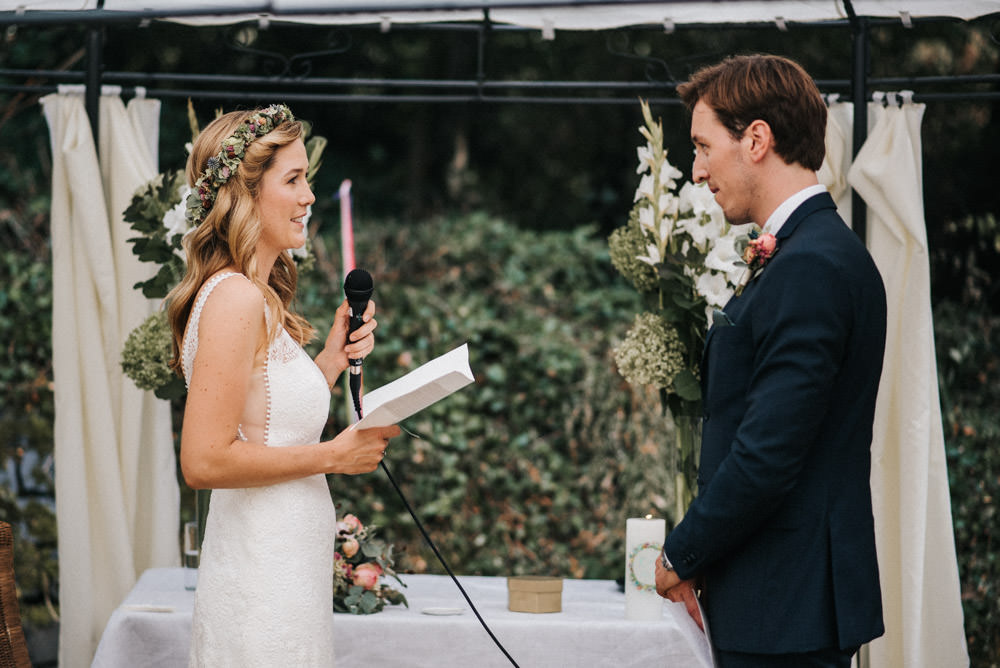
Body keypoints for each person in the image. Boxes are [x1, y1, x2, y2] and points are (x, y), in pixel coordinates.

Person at [655, 55, 887, 667]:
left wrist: (683, 553)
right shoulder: (804, 254)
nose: (698, 170)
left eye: (704, 147)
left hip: (786, 605)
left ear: (756, 139)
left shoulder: (810, 264)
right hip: (778, 598)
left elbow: (769, 451)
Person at [166, 104, 401, 666]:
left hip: (288, 573)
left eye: (308, 179)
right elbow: (203, 461)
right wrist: (334, 456)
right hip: (259, 579)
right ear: (245, 194)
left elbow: (266, 424)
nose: (309, 196)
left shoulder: (255, 294)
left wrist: (330, 359)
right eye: (293, 180)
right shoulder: (235, 298)